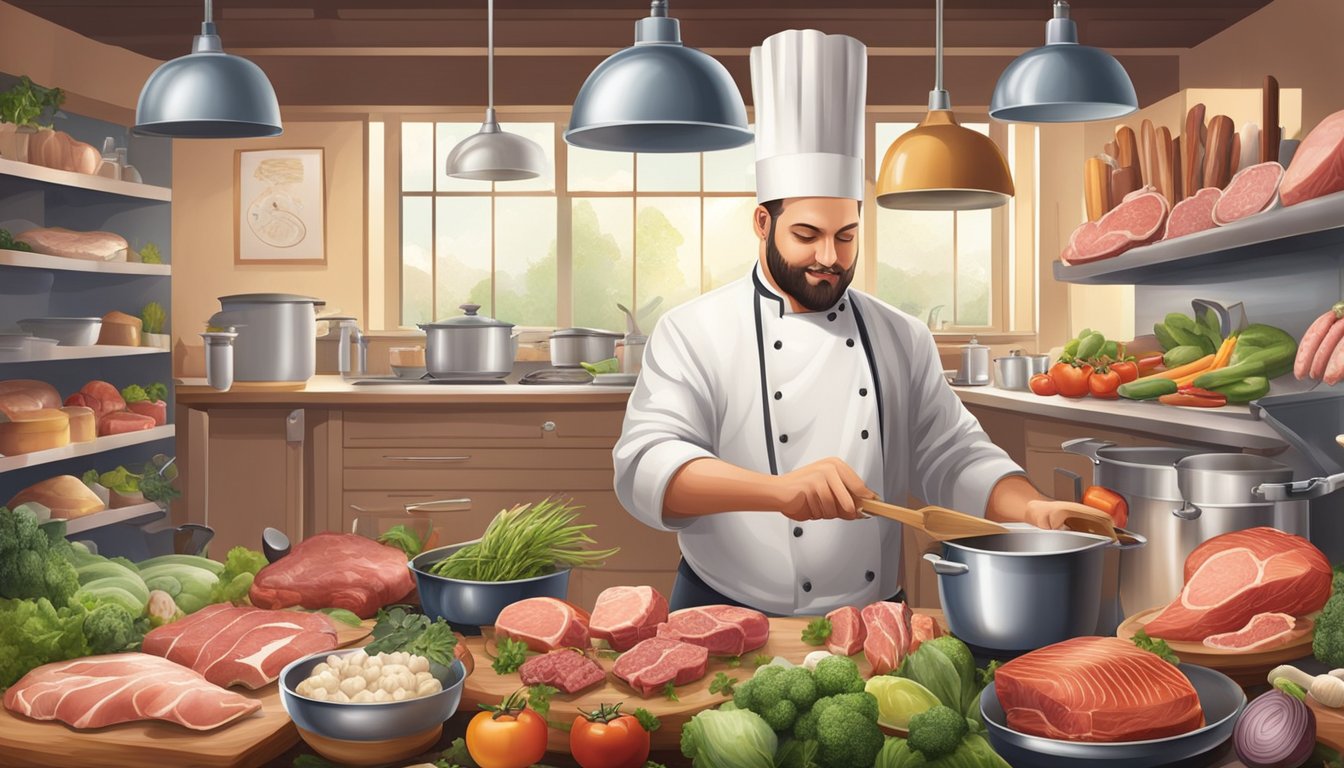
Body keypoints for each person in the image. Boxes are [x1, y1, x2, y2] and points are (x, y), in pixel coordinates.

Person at [613, 29, 1081, 616]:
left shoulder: (899, 334)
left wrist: (1031, 510)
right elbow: (646, 466)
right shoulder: (694, 329)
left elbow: (953, 453)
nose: (829, 257)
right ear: (762, 223)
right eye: (806, 235)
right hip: (726, 610)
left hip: (874, 613)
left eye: (846, 234)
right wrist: (777, 491)